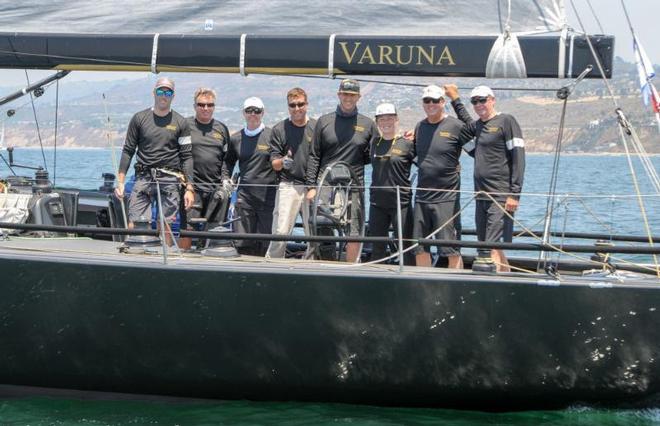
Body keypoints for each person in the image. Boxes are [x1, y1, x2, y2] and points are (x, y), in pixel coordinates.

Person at [446, 84, 525, 272]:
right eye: (475, 101)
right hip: (480, 194)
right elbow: (465, 124)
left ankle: (491, 282)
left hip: (500, 195)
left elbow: (518, 157)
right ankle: (506, 276)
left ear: (492, 100)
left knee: (487, 245)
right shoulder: (478, 125)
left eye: (482, 100)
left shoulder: (506, 121)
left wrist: (515, 193)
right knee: (488, 242)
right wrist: (455, 99)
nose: (479, 104)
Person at [304, 78, 378, 262]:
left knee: (354, 230)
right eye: (345, 94)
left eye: (352, 95)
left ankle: (351, 268)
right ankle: (326, 266)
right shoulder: (324, 121)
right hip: (325, 184)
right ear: (339, 95)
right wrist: (311, 187)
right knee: (322, 228)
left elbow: (375, 154)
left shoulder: (368, 124)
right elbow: (314, 155)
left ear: (358, 97)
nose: (348, 98)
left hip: (354, 185)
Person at [114, 76, 193, 246]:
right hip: (143, 177)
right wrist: (120, 182)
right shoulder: (139, 118)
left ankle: (166, 262)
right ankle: (134, 256)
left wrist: (190, 188)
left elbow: (187, 157)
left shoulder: (181, 122)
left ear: (173, 96)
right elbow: (128, 150)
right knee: (136, 222)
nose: (164, 95)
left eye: (168, 92)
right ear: (154, 93)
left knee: (166, 225)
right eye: (160, 91)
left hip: (170, 179)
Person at [412, 84, 464, 269]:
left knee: (450, 247)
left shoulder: (456, 126)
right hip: (422, 196)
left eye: (435, 100)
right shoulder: (420, 126)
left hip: (446, 197)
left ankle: (455, 289)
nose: (431, 104)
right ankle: (422, 286)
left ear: (443, 102)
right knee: (420, 246)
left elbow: (477, 150)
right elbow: (419, 156)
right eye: (427, 101)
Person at [265, 88, 316, 259]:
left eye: (300, 104)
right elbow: (274, 163)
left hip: (312, 187)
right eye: (292, 105)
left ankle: (312, 268)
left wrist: (313, 186)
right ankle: (272, 267)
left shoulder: (316, 128)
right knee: (280, 232)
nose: (297, 108)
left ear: (306, 104)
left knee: (314, 233)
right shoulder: (279, 129)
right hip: (289, 185)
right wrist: (282, 162)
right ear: (288, 107)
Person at [221, 97, 276, 256]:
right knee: (242, 241)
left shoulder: (272, 136)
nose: (253, 114)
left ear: (263, 113)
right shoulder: (236, 138)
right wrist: (226, 179)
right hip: (244, 198)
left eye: (257, 111)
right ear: (243, 113)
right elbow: (228, 162)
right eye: (249, 111)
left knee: (265, 242)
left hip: (268, 198)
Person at [179, 87, 231, 250]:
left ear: (214, 107)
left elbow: (226, 159)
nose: (205, 108)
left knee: (213, 229)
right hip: (191, 189)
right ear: (195, 106)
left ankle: (208, 258)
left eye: (210, 105)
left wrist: (225, 179)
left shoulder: (221, 129)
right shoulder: (185, 125)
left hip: (215, 189)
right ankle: (183, 260)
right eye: (201, 105)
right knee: (188, 229)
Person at [368, 102, 415, 264]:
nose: (386, 122)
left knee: (406, 247)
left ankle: (410, 283)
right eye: (382, 119)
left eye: (390, 118)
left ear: (396, 120)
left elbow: (425, 164)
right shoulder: (374, 143)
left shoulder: (407, 144)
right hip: (377, 203)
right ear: (377, 122)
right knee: (377, 248)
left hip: (400, 203)